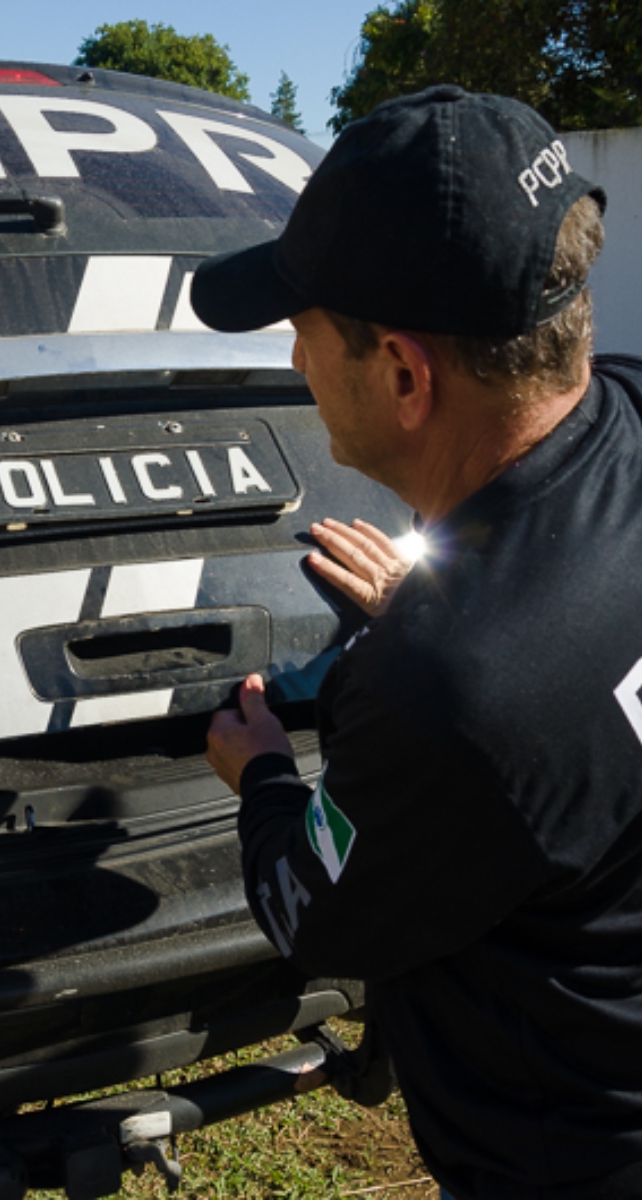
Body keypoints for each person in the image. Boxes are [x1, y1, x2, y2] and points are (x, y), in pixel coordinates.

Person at [192, 85, 642, 1200]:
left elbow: (322, 912)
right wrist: (466, 614)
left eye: (303, 334)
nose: (296, 364)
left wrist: (259, 778)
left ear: (402, 373)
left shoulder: (449, 691)